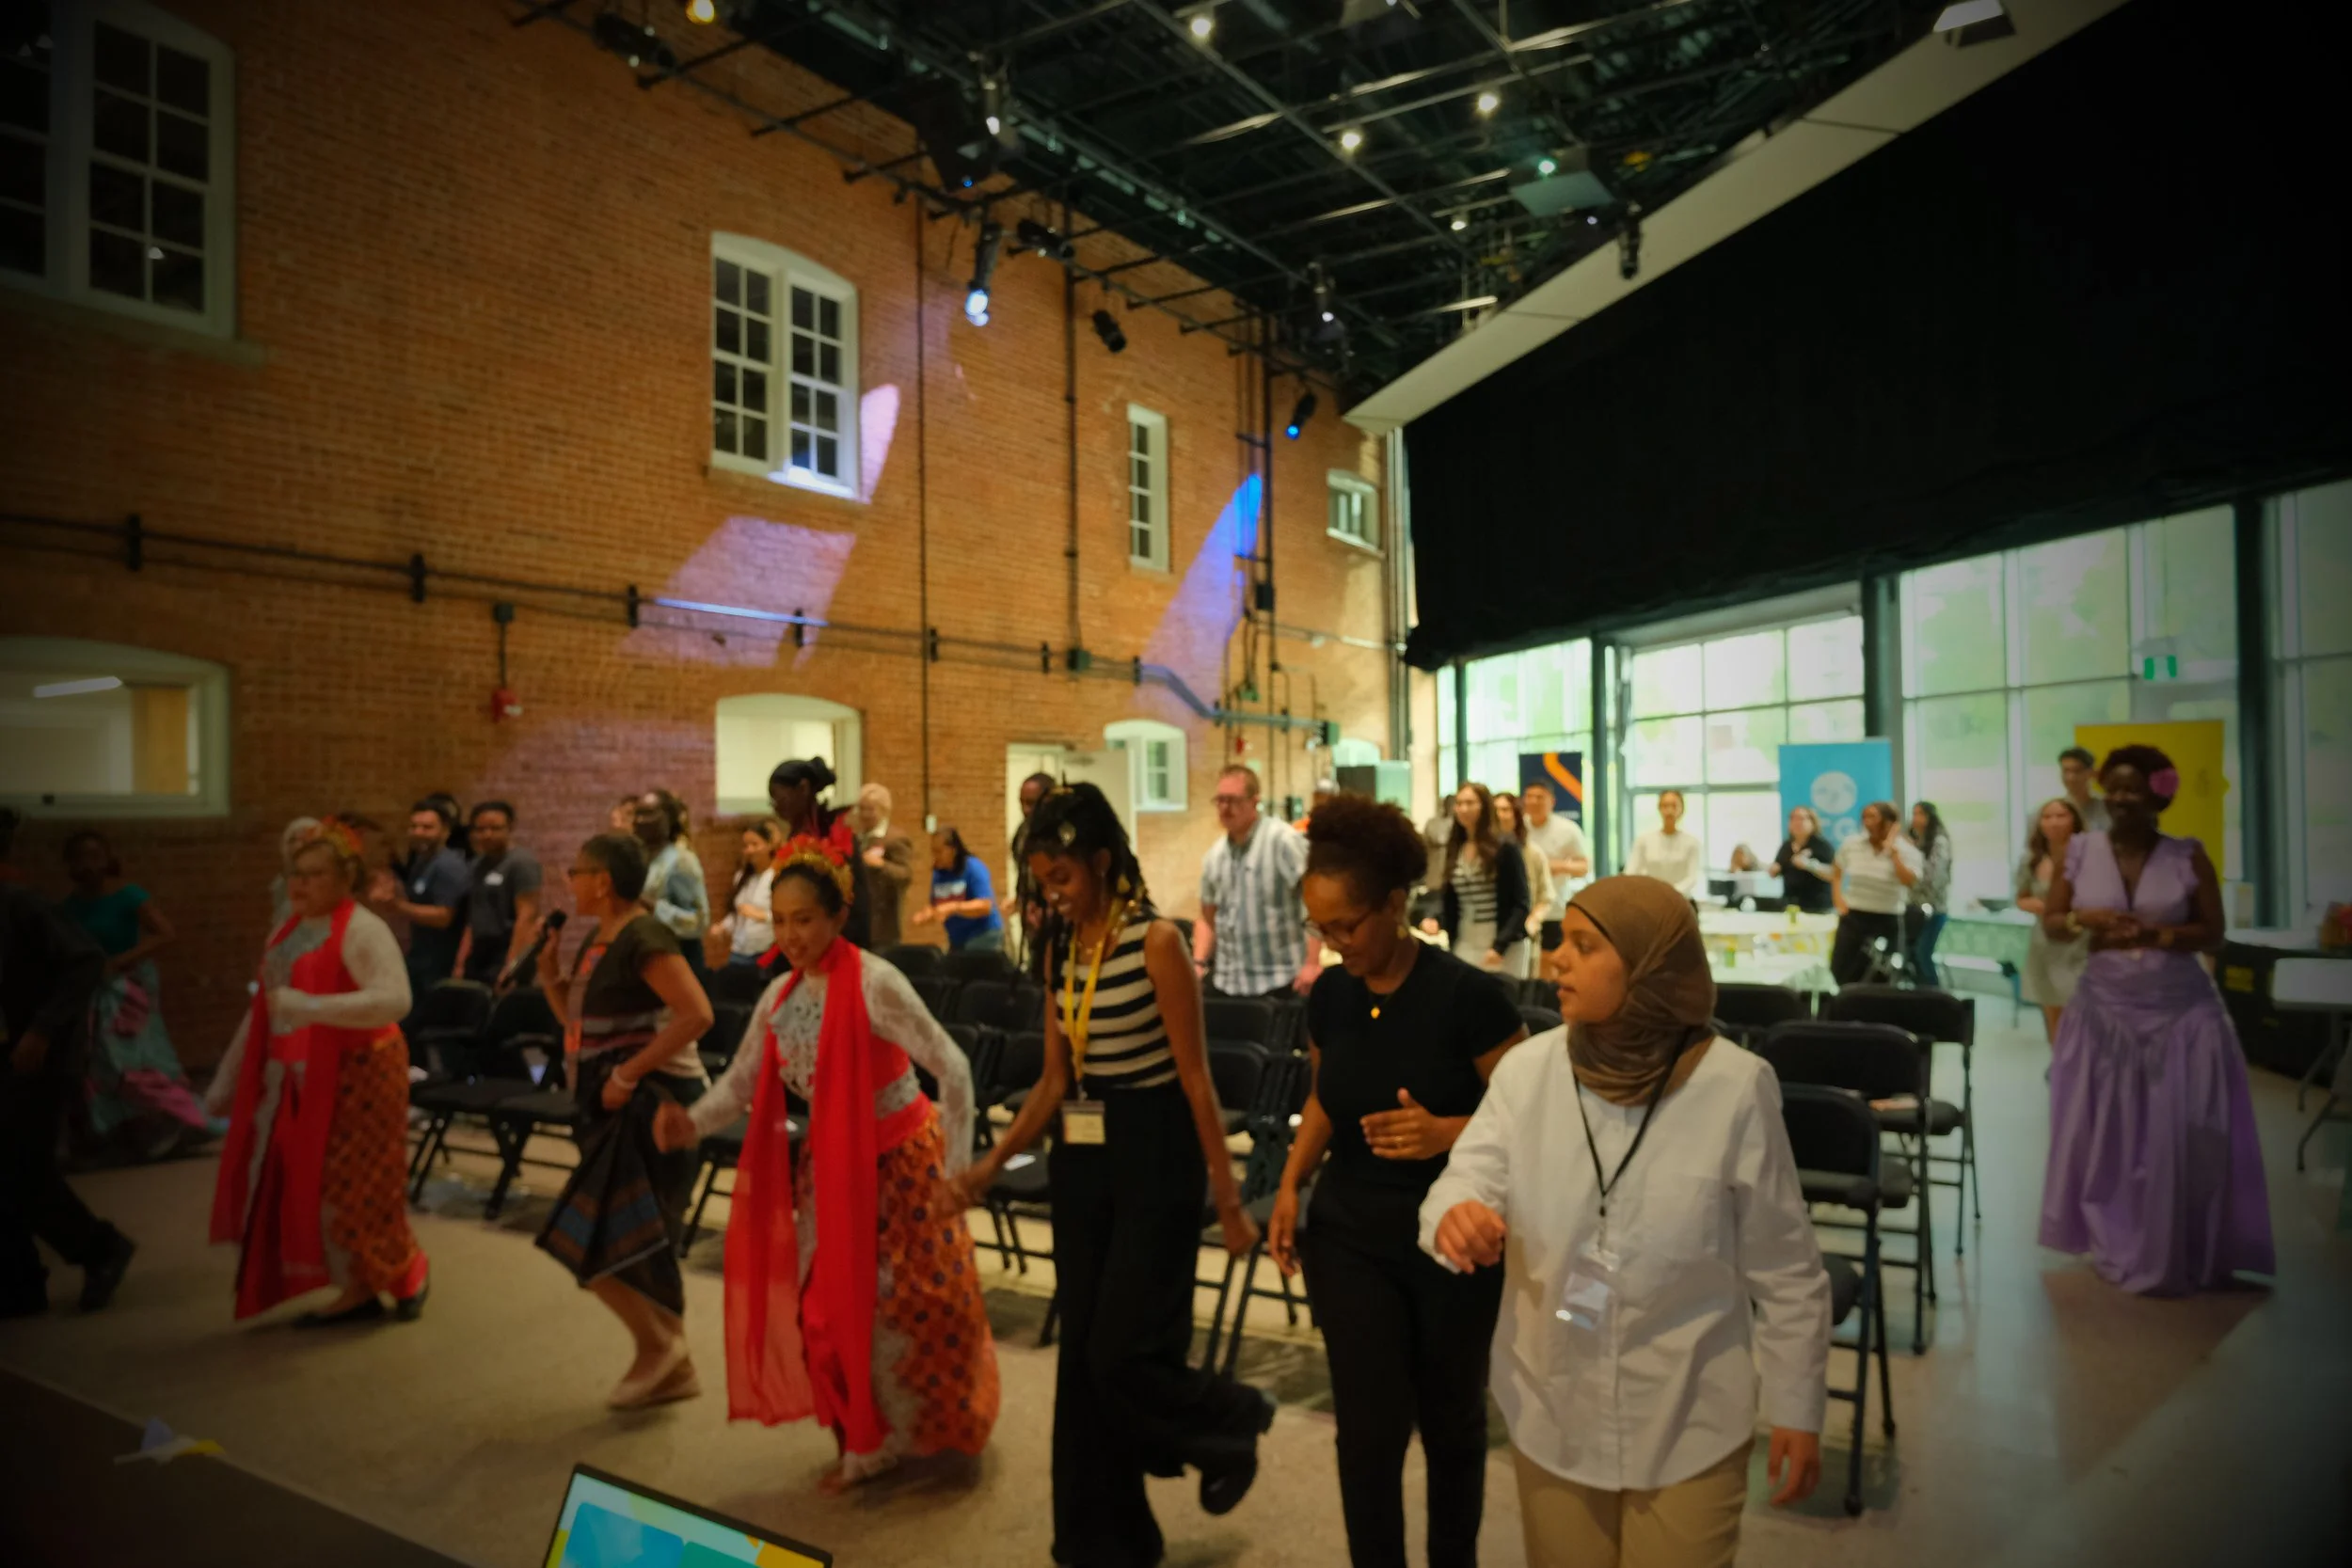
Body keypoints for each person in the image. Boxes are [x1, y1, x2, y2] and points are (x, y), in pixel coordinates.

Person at [1422, 877, 1829, 1568]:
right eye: (1560, 941)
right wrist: (1455, 1215)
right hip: (1552, 1401)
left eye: (1584, 945)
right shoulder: (1526, 1073)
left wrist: (1797, 1404)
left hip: (1690, 1413)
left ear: (1649, 966)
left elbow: (1786, 1267)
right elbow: (1462, 1180)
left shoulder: (1734, 1086)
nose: (1557, 959)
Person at [952, 784, 1272, 1565]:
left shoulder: (1156, 940)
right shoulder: (1064, 950)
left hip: (1154, 1148)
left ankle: (1230, 1418)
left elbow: (1198, 1081)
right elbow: (1053, 1080)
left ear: (1101, 862)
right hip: (1082, 1158)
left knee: (1119, 1352)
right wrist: (990, 1165)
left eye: (1061, 875)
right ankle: (1107, 1539)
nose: (1051, 893)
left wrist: (1227, 1201)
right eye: (1039, 880)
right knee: (1084, 1361)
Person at [653, 849, 999, 1491]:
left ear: (839, 915)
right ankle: (867, 1440)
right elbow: (742, 1083)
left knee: (918, 1307)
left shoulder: (876, 981)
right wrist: (691, 1122)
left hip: (903, 1163)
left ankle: (927, 1432)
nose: (789, 935)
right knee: (822, 1311)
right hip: (834, 1170)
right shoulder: (781, 997)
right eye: (780, 920)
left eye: (804, 919)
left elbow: (952, 1066)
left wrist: (957, 1171)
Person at [1265, 795, 1527, 1568]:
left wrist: (1449, 1133)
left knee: (1451, 1424)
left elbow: (1528, 1118)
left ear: (1394, 902)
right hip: (1350, 1232)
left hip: (1450, 1239)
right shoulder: (1335, 994)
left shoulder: (1467, 997)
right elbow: (1323, 1095)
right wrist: (1289, 1183)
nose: (1334, 943)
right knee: (1369, 1430)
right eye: (1320, 928)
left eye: (1347, 925)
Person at [2039, 746, 2274, 1296]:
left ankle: (2186, 1239)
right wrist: (2081, 918)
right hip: (2105, 1013)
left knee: (2188, 1134)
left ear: (2158, 795)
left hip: (2182, 1015)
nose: (2121, 799)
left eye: (2134, 790)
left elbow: (2213, 933)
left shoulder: (2187, 855)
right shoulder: (2078, 850)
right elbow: (2052, 923)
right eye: (2113, 789)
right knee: (2109, 1134)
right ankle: (2114, 1233)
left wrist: (2157, 935)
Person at [206, 820, 430, 1325]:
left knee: (360, 1186)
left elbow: (395, 999)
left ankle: (398, 1272)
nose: (301, 885)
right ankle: (367, 1280)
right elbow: (265, 1009)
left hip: (363, 1071)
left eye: (314, 874)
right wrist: (228, 1079)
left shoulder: (362, 929)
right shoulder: (286, 933)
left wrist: (310, 1005)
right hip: (303, 1076)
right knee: (319, 1185)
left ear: (344, 878)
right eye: (295, 874)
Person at [534, 832, 714, 1407]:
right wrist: (549, 980)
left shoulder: (645, 935)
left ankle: (662, 1351)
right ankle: (668, 1360)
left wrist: (627, 1075)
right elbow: (581, 1028)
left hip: (655, 1104)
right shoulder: (600, 936)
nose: (571, 880)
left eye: (577, 871)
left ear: (603, 881)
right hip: (610, 1102)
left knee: (599, 1241)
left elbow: (696, 1015)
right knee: (637, 1243)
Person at [3, 878, 137, 1318]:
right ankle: (20, 1283)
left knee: (24, 1167)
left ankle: (100, 1248)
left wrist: (43, 1028)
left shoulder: (21, 902)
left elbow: (85, 961)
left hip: (35, 1059)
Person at [57, 830, 219, 1157]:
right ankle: (132, 1134)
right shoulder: (69, 906)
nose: (88, 865)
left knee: (140, 1063)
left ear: (107, 860)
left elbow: (165, 933)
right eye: (79, 858)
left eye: (95, 857)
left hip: (130, 991)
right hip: (95, 991)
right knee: (106, 1064)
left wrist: (121, 961)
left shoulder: (129, 895)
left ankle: (184, 1120)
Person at [1195, 764, 1319, 999]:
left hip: (1281, 980)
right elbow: (1208, 917)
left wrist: (1312, 963)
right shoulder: (1215, 856)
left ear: (1254, 801)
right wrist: (1198, 963)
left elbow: (1315, 901)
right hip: (1229, 983)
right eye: (1220, 800)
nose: (1224, 808)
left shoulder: (1283, 841)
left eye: (1233, 800)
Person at [380, 798, 469, 1057]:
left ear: (445, 831)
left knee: (433, 1028)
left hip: (442, 962)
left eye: (427, 827)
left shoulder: (449, 867)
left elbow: (444, 916)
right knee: (408, 1024)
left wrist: (396, 906)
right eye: (414, 826)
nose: (418, 832)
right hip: (421, 958)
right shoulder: (422, 862)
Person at [1421, 783, 1532, 979]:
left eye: (1470, 803)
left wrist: (1499, 946)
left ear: (1484, 806)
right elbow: (1451, 898)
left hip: (1503, 942)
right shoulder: (1456, 848)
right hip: (1465, 937)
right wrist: (1436, 918)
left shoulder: (1505, 847)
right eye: (1459, 803)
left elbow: (1521, 903)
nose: (1463, 809)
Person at [768, 758, 874, 951]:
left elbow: (855, 897)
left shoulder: (836, 831)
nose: (777, 808)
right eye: (773, 802)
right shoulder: (795, 835)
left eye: (780, 799)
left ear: (803, 788)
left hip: (840, 941)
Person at [2015, 798, 2090, 1041]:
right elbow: (2021, 897)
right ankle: (2059, 1066)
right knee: (2051, 1009)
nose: (2054, 822)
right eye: (2048, 817)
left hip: (2079, 939)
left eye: (2061, 816)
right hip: (2045, 940)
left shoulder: (2089, 857)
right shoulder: (2032, 859)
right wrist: (2049, 908)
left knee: (2078, 1007)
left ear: (2074, 820)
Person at [1829, 801, 1921, 986]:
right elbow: (1837, 870)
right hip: (1854, 916)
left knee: (1882, 975)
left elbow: (1910, 882)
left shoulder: (1906, 850)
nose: (1867, 822)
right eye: (1865, 817)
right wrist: (1838, 898)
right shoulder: (1852, 844)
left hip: (1887, 917)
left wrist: (1894, 855)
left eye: (1873, 817)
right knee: (1843, 971)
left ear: (1890, 822)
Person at [453, 800, 542, 987]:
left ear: (510, 827)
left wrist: (511, 967)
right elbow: (473, 917)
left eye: (495, 828)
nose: (487, 835)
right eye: (481, 829)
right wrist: (460, 962)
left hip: (506, 950)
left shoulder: (521, 863)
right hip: (480, 953)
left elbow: (527, 917)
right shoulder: (477, 865)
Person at [633, 789, 711, 962]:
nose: (640, 821)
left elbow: (699, 921)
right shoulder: (640, 857)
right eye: (637, 814)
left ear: (668, 818)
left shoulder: (681, 860)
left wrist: (653, 907)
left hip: (679, 956)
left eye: (648, 814)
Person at [1520, 783, 1591, 949]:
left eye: (1540, 797)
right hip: (1523, 908)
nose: (1534, 802)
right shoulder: (1518, 827)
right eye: (1529, 797)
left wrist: (1555, 867)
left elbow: (1583, 867)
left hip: (1555, 908)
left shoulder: (1568, 829)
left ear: (1552, 801)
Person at [709, 818, 784, 970]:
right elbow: (738, 914)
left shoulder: (777, 877)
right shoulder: (742, 877)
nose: (749, 850)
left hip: (765, 952)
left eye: (755, 845)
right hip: (739, 950)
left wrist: (761, 915)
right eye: (746, 846)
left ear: (769, 845)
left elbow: (785, 916)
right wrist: (722, 927)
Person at [914, 828, 1005, 951]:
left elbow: (985, 906)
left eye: (939, 851)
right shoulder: (939, 874)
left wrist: (954, 907)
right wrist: (928, 914)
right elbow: (937, 906)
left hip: (983, 935)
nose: (935, 856)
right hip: (957, 939)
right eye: (933, 851)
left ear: (953, 850)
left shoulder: (973, 868)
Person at [1007, 769, 1059, 974]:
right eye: (1022, 803)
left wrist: (1051, 907)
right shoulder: (1022, 833)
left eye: (1031, 802)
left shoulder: (1065, 833)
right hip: (1032, 917)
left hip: (1060, 916)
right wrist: (1023, 904)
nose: (1026, 810)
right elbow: (1023, 875)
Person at [854, 783, 916, 951]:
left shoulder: (895, 839)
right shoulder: (857, 839)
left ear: (883, 810)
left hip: (882, 928)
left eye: (870, 809)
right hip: (857, 923)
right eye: (861, 809)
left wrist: (880, 865)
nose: (864, 815)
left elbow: (905, 875)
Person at [1493, 792, 1556, 955]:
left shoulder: (1533, 853)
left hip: (1521, 937)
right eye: (1495, 810)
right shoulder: (1484, 854)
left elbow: (1546, 897)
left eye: (1505, 810)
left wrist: (1530, 923)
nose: (1500, 815)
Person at [1905, 801, 1955, 987]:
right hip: (1913, 907)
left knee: (1922, 953)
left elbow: (1934, 878)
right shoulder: (1917, 841)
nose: (1916, 818)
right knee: (1911, 954)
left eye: (1921, 814)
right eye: (1914, 813)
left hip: (1934, 908)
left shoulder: (1939, 842)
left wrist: (1912, 880)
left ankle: (1934, 996)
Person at [1624, 790, 1704, 901]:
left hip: (1681, 902)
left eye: (1674, 806)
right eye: (1665, 806)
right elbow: (1630, 873)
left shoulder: (1692, 842)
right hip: (1650, 900)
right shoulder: (1643, 840)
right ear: (1659, 808)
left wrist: (1671, 892)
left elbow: (1692, 878)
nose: (1669, 811)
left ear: (1682, 809)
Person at [1768, 805, 1836, 915]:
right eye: (1793, 819)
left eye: (1801, 819)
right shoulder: (1786, 846)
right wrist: (1773, 870)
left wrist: (1809, 864)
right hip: (1791, 907)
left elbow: (1833, 874)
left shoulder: (1822, 846)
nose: (1797, 823)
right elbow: (1777, 868)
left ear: (1813, 823)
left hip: (1818, 907)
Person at [268, 816, 322, 927]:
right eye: (293, 840)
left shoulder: (327, 882)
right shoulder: (280, 883)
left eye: (304, 840)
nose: (298, 845)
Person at [2056, 744, 2111, 835]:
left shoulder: (2107, 807)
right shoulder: (2054, 811)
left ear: (2091, 773)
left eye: (2077, 771)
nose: (2071, 777)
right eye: (2066, 771)